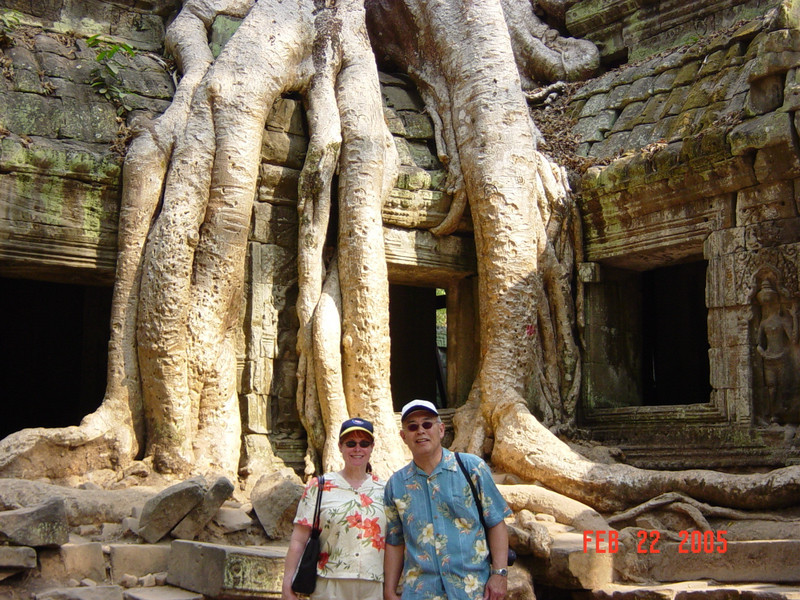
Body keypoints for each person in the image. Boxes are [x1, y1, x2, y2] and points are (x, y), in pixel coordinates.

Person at [383, 400, 511, 600]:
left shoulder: (471, 468)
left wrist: (500, 575)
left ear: (441, 429)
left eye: (427, 424)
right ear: (403, 436)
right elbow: (394, 540)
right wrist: (389, 591)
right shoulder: (396, 485)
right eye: (412, 427)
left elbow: (496, 522)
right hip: (421, 593)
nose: (421, 431)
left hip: (473, 590)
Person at [282, 418, 386, 600]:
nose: (357, 449)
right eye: (351, 443)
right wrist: (286, 584)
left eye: (364, 443)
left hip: (373, 584)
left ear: (372, 447)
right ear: (340, 446)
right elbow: (298, 540)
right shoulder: (319, 487)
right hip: (329, 583)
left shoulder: (385, 490)